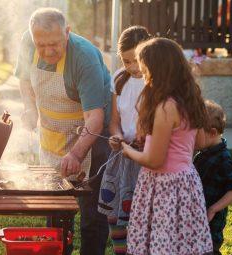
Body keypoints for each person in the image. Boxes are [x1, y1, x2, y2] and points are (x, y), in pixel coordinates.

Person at [14, 8, 111, 255]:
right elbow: (24, 79)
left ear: (67, 33)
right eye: (41, 45)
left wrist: (77, 154)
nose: (47, 52)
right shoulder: (28, 41)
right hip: (53, 137)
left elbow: (95, 118)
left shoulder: (84, 57)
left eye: (54, 44)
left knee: (91, 215)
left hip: (92, 139)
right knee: (55, 207)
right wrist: (29, 108)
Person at [121, 38, 213, 255]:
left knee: (161, 245)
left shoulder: (165, 107)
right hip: (186, 183)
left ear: (157, 71)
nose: (142, 75)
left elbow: (154, 160)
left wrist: (127, 150)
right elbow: (199, 142)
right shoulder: (191, 99)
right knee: (181, 245)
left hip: (164, 187)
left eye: (144, 70)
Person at [97, 26, 151, 255]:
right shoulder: (119, 79)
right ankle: (121, 251)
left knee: (142, 214)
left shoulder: (155, 81)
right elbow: (114, 121)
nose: (132, 67)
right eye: (126, 61)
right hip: (122, 156)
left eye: (136, 60)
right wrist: (116, 135)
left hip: (146, 157)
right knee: (115, 212)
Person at [194, 100, 232, 255]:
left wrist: (213, 208)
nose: (192, 137)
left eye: (196, 133)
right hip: (198, 220)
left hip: (211, 226)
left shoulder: (223, 159)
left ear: (213, 132)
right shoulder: (204, 153)